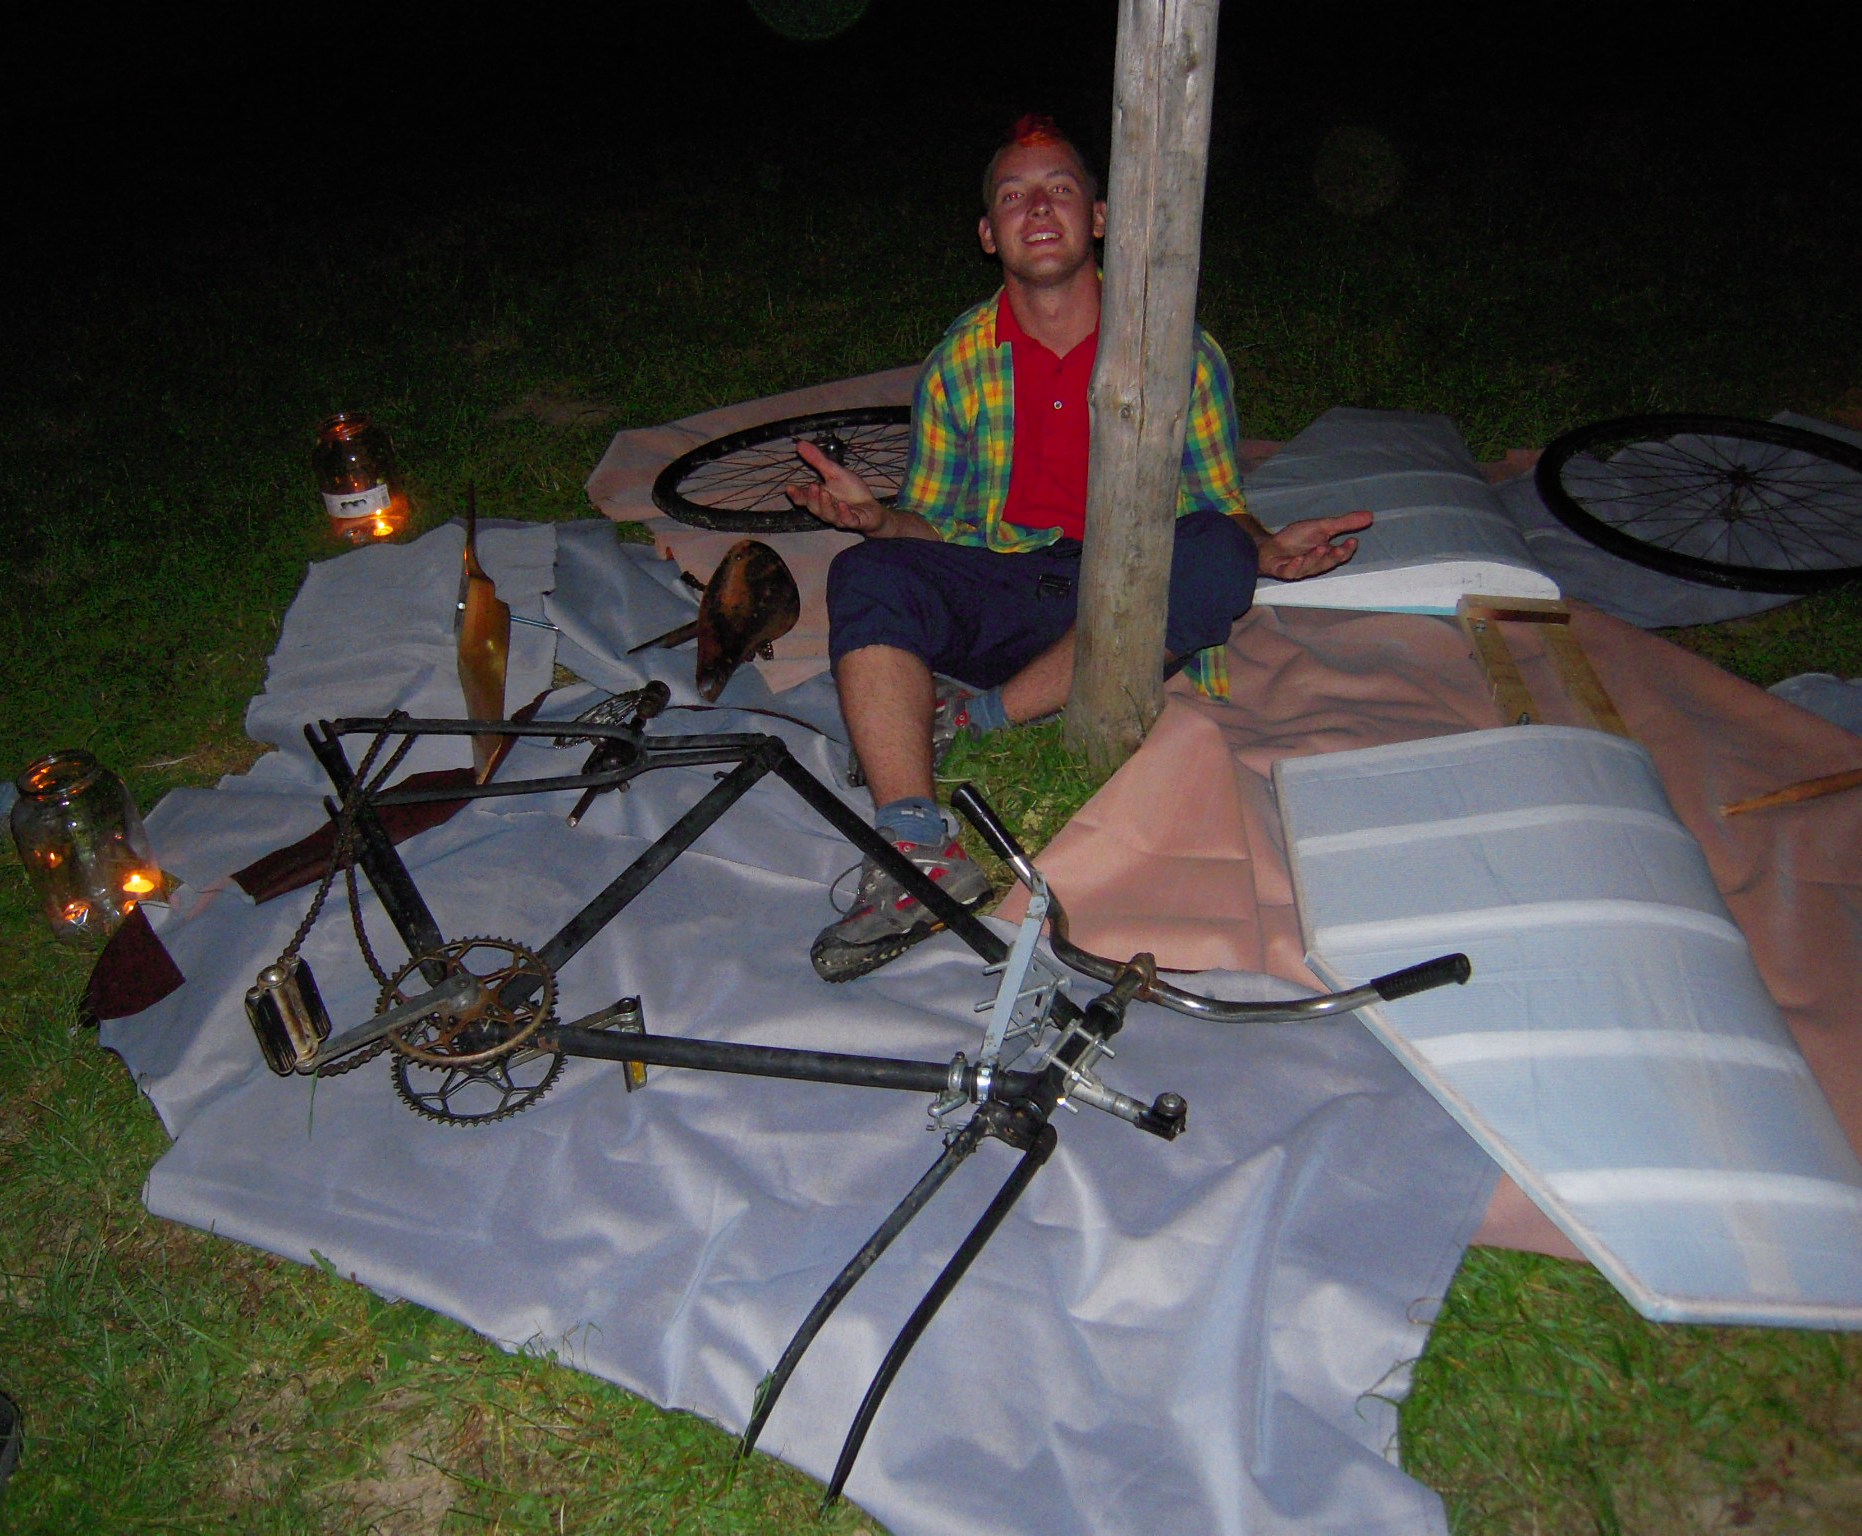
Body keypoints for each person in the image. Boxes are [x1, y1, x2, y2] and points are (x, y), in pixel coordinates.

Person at [789, 116, 1371, 983]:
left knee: (1218, 554)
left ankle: (975, 718)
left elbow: (1221, 503)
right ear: (989, 234)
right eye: (1013, 196)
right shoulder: (960, 362)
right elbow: (933, 523)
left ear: (1098, 217)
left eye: (1059, 189)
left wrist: (1267, 550)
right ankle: (916, 852)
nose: (1038, 209)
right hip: (1011, 581)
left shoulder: (1178, 354)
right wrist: (879, 522)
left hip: (1134, 592)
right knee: (866, 572)